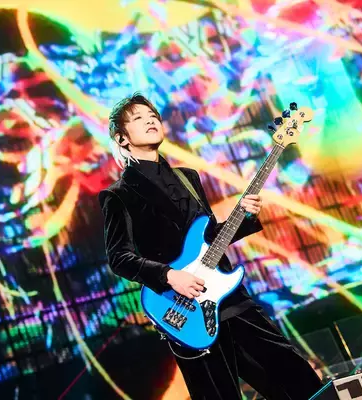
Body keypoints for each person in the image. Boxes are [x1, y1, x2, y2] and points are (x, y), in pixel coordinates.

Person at [98, 93, 323, 399]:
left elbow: (208, 238)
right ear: (122, 139)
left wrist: (245, 217)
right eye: (138, 118)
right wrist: (169, 276)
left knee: (297, 378)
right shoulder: (119, 195)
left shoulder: (188, 178)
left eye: (153, 116)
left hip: (230, 299)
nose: (150, 120)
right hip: (183, 310)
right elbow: (119, 257)